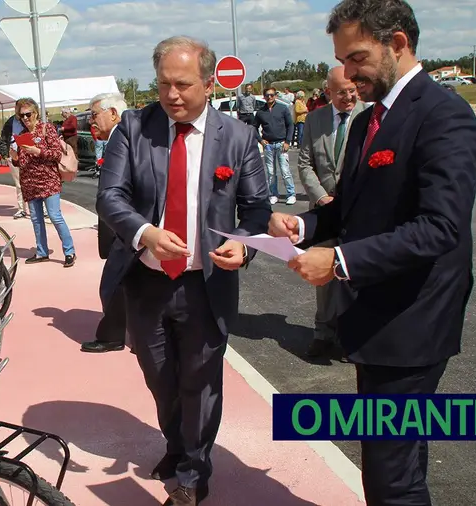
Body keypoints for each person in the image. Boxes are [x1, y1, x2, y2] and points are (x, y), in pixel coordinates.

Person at [268, 1, 476, 504]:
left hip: (412, 323)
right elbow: (348, 209)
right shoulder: (369, 123)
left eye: (358, 58)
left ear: (399, 44)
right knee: (390, 463)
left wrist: (340, 261)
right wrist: (303, 225)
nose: (348, 72)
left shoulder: (443, 115)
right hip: (373, 318)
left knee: (393, 478)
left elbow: (440, 227)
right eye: (343, 59)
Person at [97, 36, 270, 506]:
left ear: (209, 84)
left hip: (204, 285)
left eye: (183, 85)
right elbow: (109, 196)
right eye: (163, 85)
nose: (172, 95)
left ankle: (194, 473)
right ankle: (177, 446)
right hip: (146, 283)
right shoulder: (133, 128)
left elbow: (256, 208)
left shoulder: (235, 137)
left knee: (201, 381)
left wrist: (242, 246)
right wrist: (145, 233)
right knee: (160, 377)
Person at [296, 66, 367, 359]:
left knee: (354, 274)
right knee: (324, 276)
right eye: (341, 93)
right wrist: (321, 197)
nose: (349, 98)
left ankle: (354, 335)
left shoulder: (370, 115)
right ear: (328, 92)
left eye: (352, 91)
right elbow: (304, 163)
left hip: (357, 212)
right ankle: (323, 333)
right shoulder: (315, 119)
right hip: (324, 212)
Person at [82, 92, 129, 354]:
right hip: (127, 225)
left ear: (112, 113)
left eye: (94, 114)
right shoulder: (120, 138)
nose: (91, 120)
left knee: (111, 284)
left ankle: (112, 336)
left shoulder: (121, 141)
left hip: (124, 227)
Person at [12, 97, 76, 268]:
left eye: (28, 114)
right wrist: (15, 158)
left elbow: (56, 154)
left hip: (48, 180)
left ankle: (69, 251)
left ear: (36, 113)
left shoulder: (47, 129)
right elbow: (23, 161)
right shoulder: (22, 136)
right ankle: (42, 252)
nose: (25, 118)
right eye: (21, 116)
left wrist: (37, 151)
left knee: (55, 216)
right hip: (30, 183)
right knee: (36, 219)